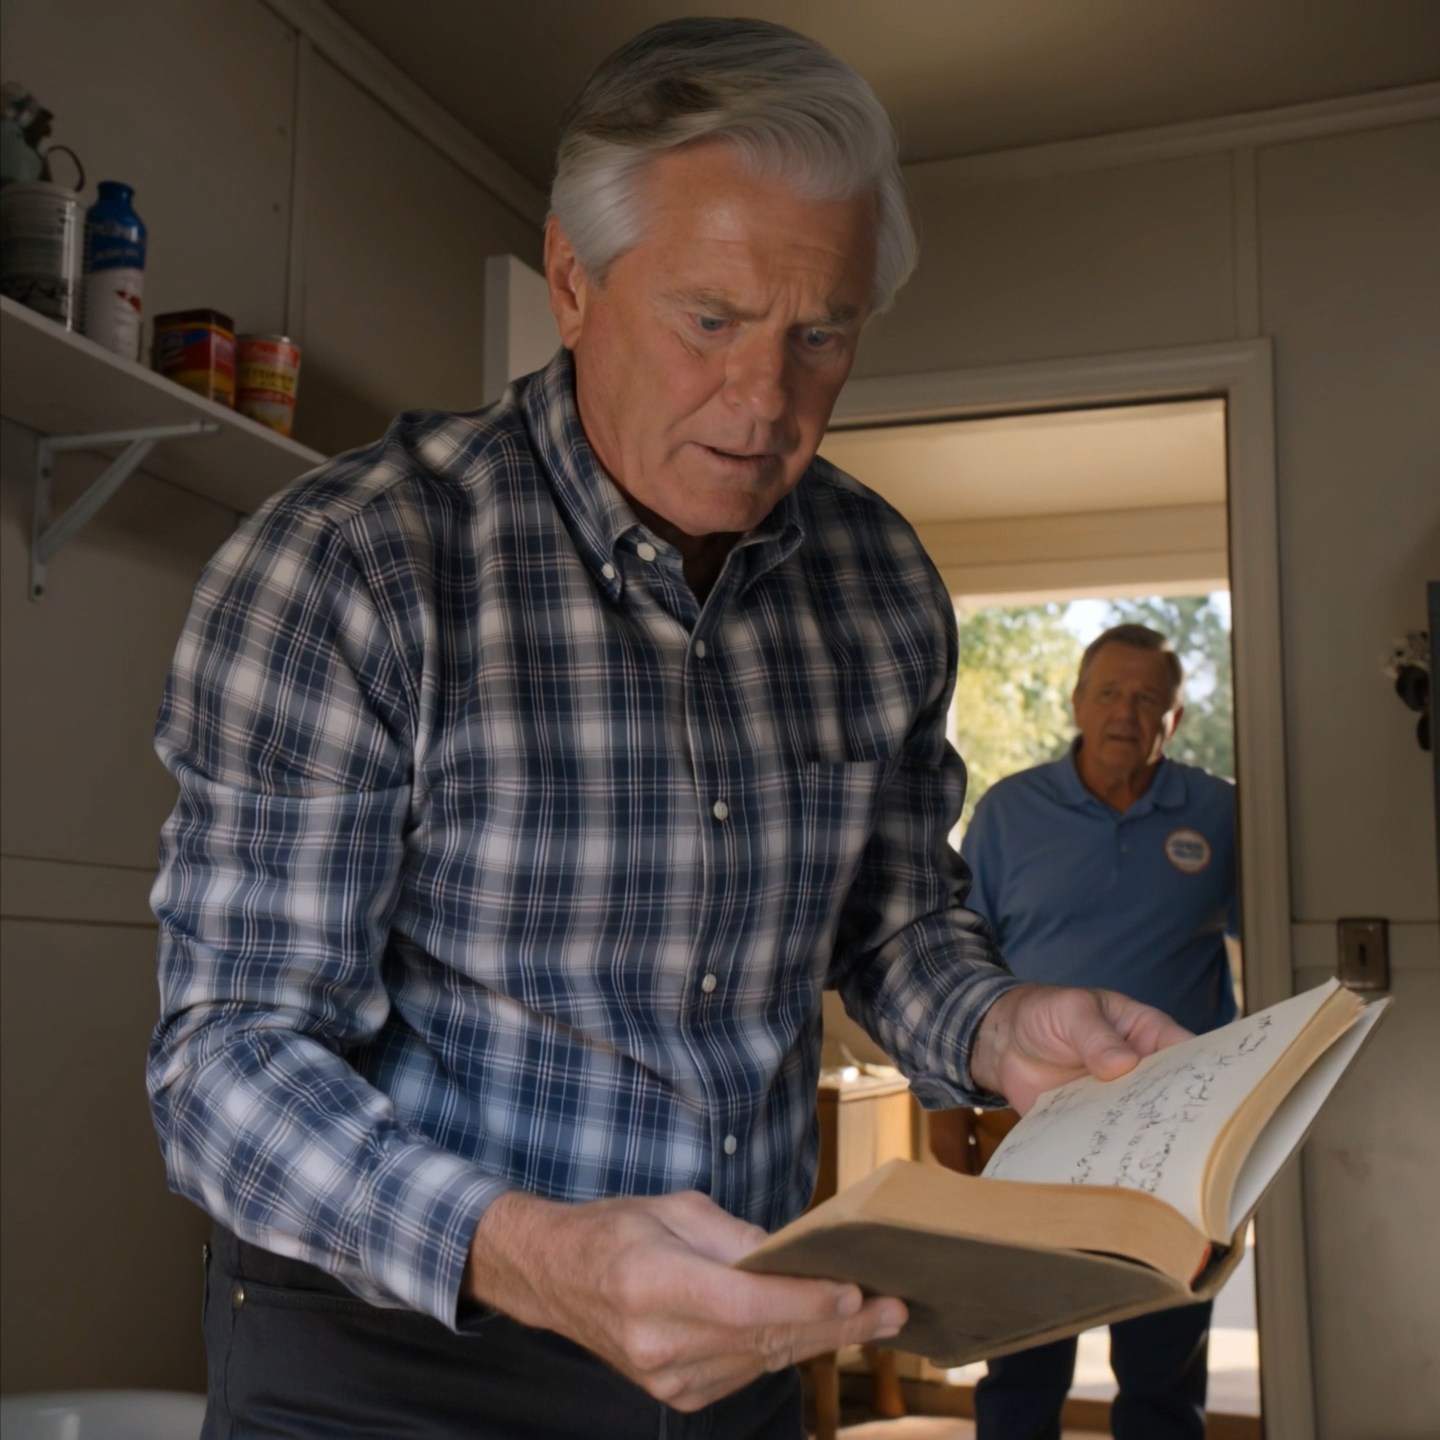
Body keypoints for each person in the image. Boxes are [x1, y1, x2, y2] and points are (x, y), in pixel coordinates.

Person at [146, 21, 1189, 1440]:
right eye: (711, 319)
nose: (765, 405)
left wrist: (1002, 1025)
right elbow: (226, 1062)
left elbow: (891, 926)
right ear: (573, 285)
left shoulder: (879, 581)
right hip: (396, 1354)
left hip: (742, 1340)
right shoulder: (354, 567)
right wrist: (530, 1252)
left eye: (819, 336)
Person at [945, 623, 1238, 1440]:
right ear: (1076, 702)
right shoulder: (1008, 812)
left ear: (1175, 719)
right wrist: (948, 1118)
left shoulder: (1221, 812)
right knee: (1022, 1365)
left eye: (1149, 697)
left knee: (1163, 1375)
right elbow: (956, 967)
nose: (1126, 711)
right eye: (1108, 691)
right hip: (1036, 1127)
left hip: (1175, 1143)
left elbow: (1283, 945)